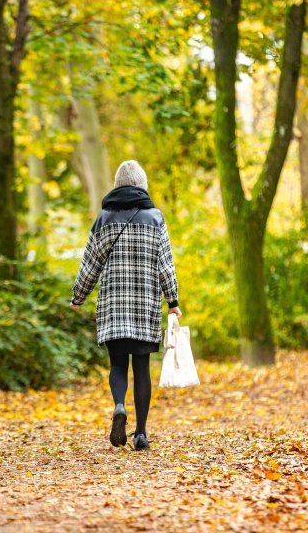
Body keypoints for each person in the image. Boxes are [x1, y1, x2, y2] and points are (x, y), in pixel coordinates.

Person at [70, 160, 180, 451]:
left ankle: (119, 405)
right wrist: (173, 301)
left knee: (118, 363)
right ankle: (141, 434)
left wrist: (78, 296)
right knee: (141, 367)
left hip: (114, 304)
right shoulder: (155, 218)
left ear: (118, 185)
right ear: (142, 185)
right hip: (145, 303)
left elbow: (90, 263)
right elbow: (165, 265)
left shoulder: (104, 218)